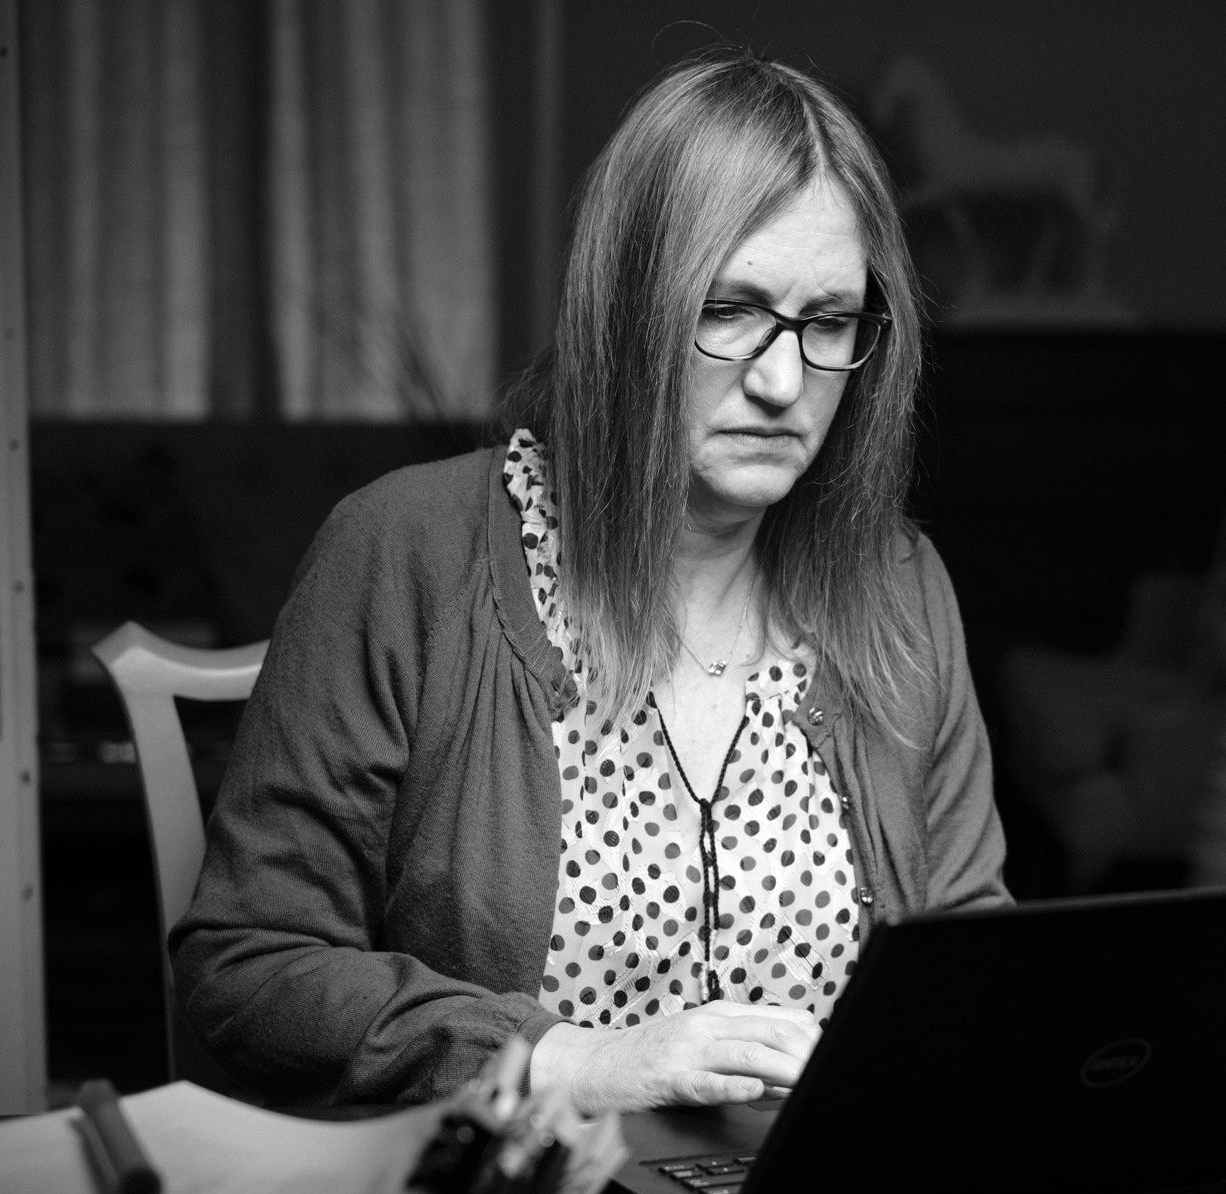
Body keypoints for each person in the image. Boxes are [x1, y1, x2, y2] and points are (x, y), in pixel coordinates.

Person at [171, 50, 1010, 1115]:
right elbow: (249, 965)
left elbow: (968, 957)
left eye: (829, 321)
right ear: (625, 309)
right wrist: (568, 1063)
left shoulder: (897, 584)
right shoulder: (406, 550)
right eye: (730, 308)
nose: (782, 380)